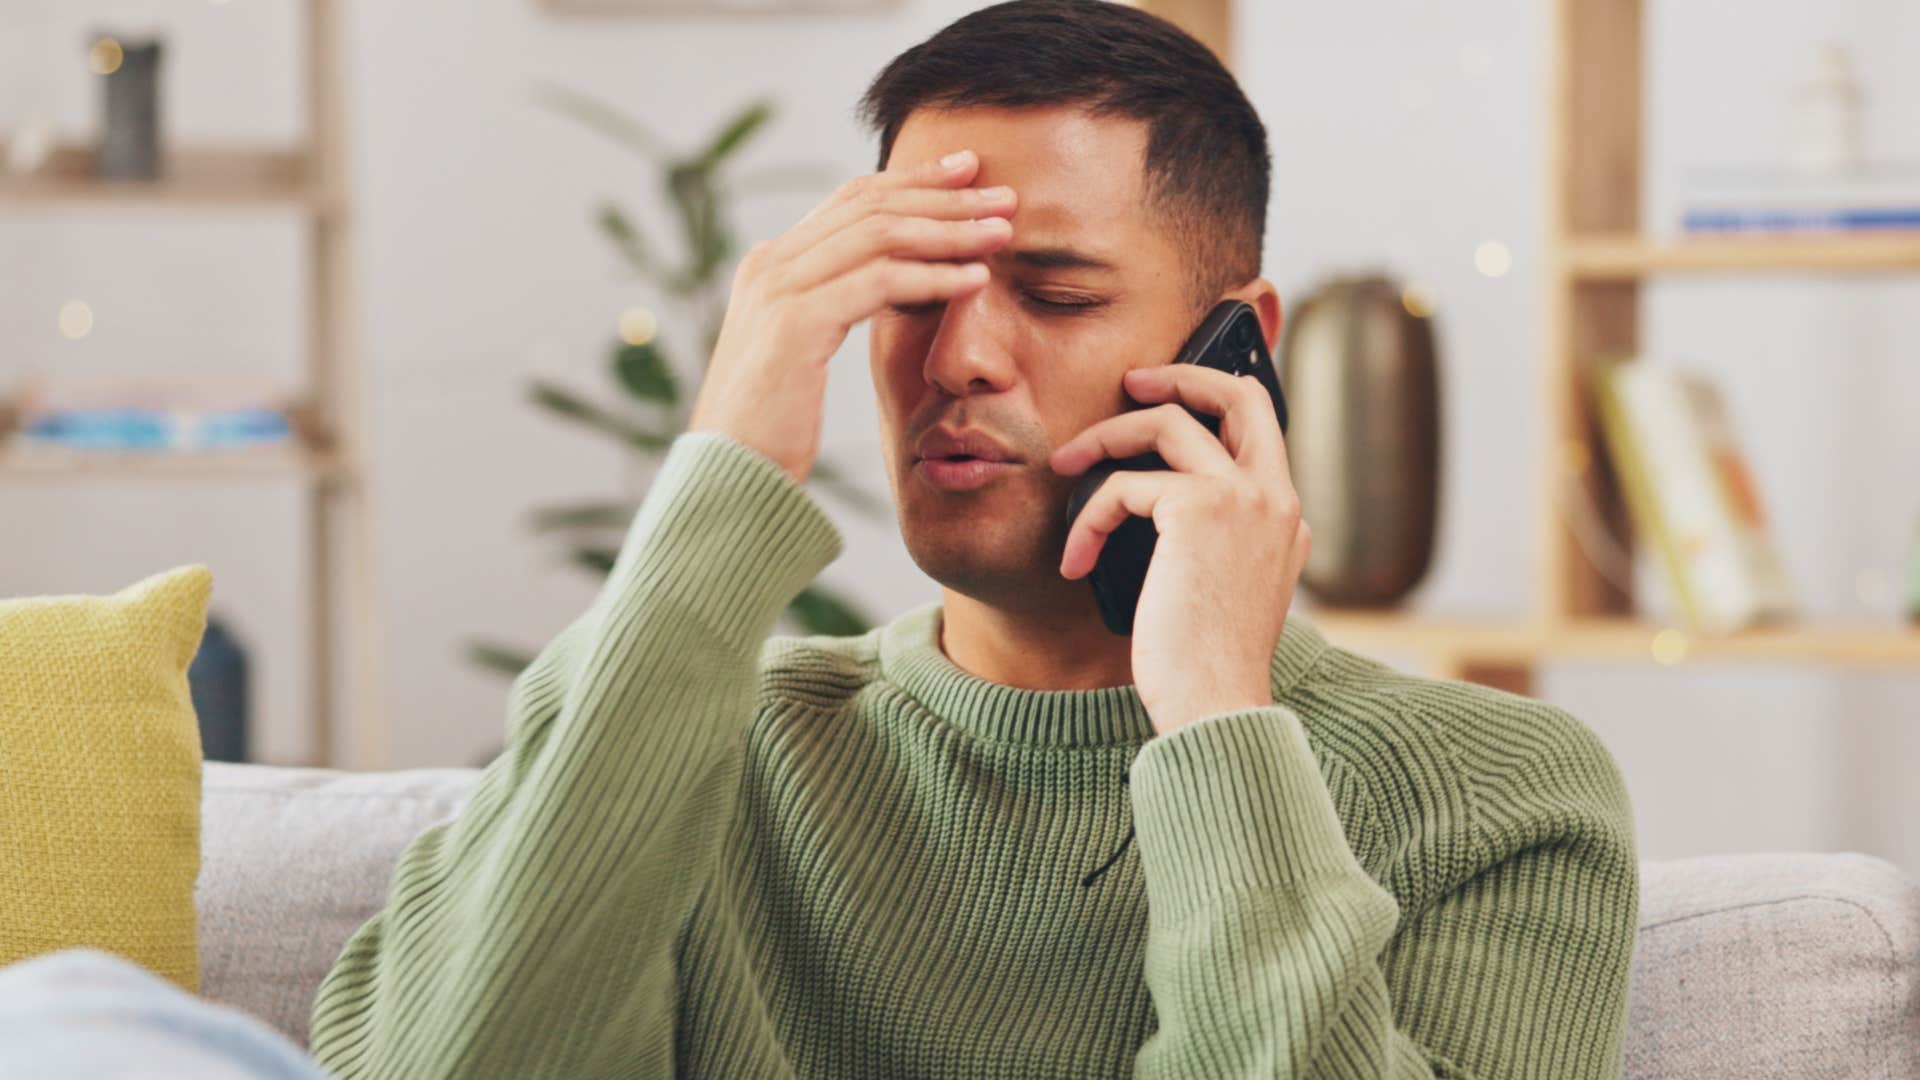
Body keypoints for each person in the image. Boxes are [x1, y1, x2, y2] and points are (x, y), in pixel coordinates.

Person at [310, 2, 1639, 1077]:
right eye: (914, 292)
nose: (960, 357)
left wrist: (1219, 727)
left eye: (1054, 295)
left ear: (1237, 347)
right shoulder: (695, 737)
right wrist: (721, 474)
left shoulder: (1501, 796)